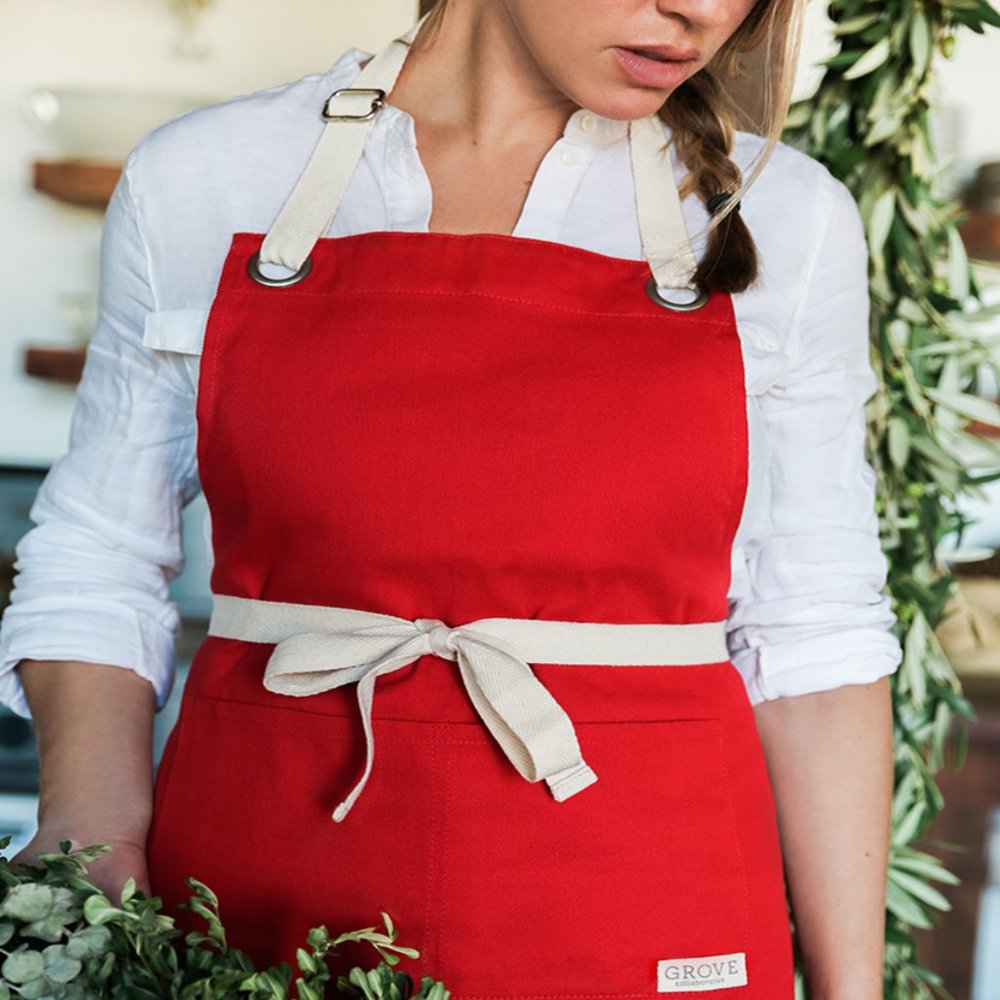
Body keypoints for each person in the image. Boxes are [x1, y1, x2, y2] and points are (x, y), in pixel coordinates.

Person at [0, 0, 904, 997]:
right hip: (253, 908)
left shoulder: (784, 214)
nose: (702, 11)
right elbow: (100, 557)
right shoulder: (207, 177)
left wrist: (850, 989)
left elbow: (814, 629)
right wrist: (94, 847)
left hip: (650, 908)